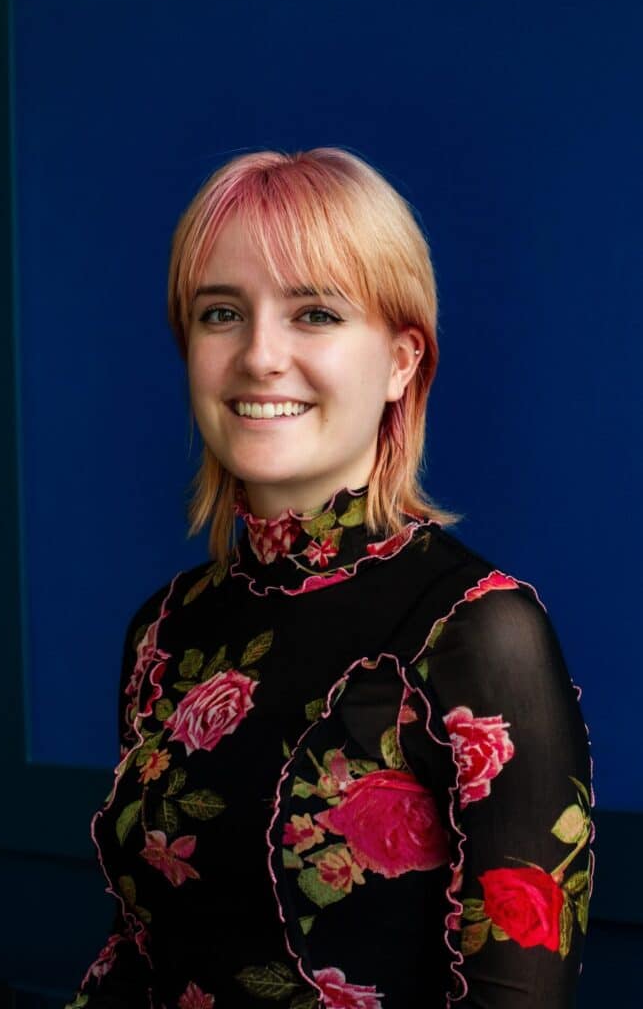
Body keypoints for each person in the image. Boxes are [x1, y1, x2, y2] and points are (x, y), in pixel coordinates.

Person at [65, 147, 595, 1009]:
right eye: (221, 313)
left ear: (399, 363)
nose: (259, 357)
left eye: (313, 313)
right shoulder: (163, 632)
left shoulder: (477, 628)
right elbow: (137, 954)